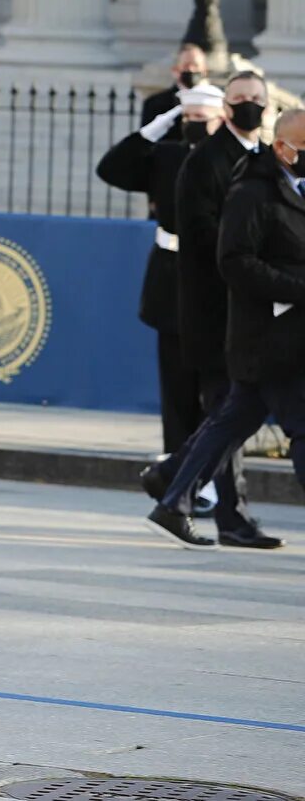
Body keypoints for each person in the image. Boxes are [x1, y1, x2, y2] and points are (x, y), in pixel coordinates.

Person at [146, 108, 305, 549]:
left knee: (230, 423)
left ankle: (172, 500)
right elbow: (234, 262)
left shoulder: (295, 188)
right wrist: (298, 288)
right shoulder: (253, 192)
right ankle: (175, 496)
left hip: (287, 335)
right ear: (281, 148)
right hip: (269, 337)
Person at [97, 84, 224, 459]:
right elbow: (112, 169)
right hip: (172, 278)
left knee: (215, 383)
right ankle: (176, 457)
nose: (192, 125)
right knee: (176, 379)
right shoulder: (168, 156)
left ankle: (208, 466)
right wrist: (157, 125)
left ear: (220, 119)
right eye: (187, 118)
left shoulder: (236, 159)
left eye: (200, 119)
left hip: (216, 280)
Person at [141, 41, 210, 123]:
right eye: (186, 65)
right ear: (175, 70)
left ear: (205, 70)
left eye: (195, 65)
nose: (191, 69)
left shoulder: (216, 101)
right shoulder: (154, 104)